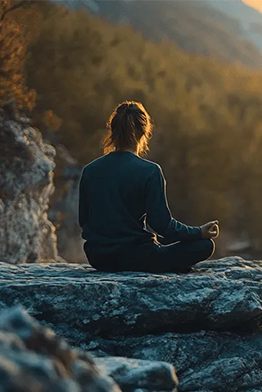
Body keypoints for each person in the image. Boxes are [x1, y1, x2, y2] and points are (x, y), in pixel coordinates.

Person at [78, 101, 219, 273]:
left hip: (98, 258)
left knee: (157, 241)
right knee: (204, 246)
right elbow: (162, 225)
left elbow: (83, 220)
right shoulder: (150, 171)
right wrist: (198, 232)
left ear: (112, 131)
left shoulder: (90, 170)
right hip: (139, 257)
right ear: (144, 132)